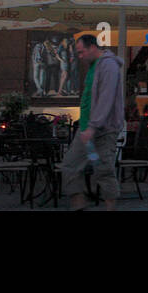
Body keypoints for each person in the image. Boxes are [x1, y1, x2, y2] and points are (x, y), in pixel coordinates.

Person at [60, 34, 124, 210]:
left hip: (104, 129)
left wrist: (93, 126)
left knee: (104, 169)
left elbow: (106, 98)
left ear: (92, 48)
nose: (79, 57)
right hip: (87, 128)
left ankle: (109, 206)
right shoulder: (93, 66)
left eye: (81, 52)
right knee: (70, 165)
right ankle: (79, 203)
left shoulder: (108, 65)